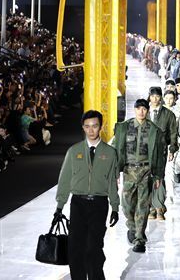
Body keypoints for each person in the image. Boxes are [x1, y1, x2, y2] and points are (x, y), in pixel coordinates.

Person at [54, 110, 119, 280]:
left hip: (99, 204)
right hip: (78, 204)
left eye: (95, 126)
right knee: (75, 248)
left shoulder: (110, 153)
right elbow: (65, 179)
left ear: (101, 127)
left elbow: (112, 181)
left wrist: (115, 207)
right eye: (87, 126)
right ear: (83, 127)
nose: (91, 130)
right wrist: (59, 206)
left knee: (94, 247)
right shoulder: (73, 151)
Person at [111, 99, 164, 253]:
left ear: (147, 111)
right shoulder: (124, 128)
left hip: (146, 171)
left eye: (144, 109)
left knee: (143, 206)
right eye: (139, 108)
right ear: (134, 110)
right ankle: (132, 227)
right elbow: (115, 149)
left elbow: (159, 154)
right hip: (129, 171)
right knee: (126, 205)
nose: (141, 111)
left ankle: (139, 239)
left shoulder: (154, 130)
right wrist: (115, 171)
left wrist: (158, 176)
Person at [146, 87, 177, 221]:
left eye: (157, 96)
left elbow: (174, 133)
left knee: (159, 176)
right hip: (145, 152)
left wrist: (172, 149)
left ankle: (158, 207)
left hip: (160, 151)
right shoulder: (144, 112)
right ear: (149, 97)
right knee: (147, 178)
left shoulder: (168, 115)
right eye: (152, 96)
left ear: (161, 98)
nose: (155, 99)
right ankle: (151, 208)